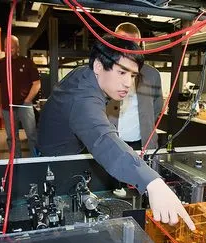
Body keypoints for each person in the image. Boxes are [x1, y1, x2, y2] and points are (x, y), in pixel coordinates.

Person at [37, 35, 195, 230]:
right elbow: (103, 138)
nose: (128, 83)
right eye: (121, 72)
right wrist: (153, 183)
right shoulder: (83, 96)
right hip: (56, 165)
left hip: (67, 156)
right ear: (98, 66)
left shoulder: (86, 75)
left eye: (132, 75)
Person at [106, 22, 163, 150]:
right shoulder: (105, 71)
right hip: (112, 144)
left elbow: (157, 107)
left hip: (142, 144)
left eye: (133, 45)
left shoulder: (152, 75)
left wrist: (146, 123)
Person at [0, 35, 40, 158]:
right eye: (6, 47)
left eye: (12, 47)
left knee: (32, 135)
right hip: (7, 108)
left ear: (18, 47)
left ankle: (37, 160)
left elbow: (37, 84)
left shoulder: (27, 62)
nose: (9, 50)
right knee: (12, 137)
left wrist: (27, 100)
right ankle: (16, 161)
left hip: (25, 105)